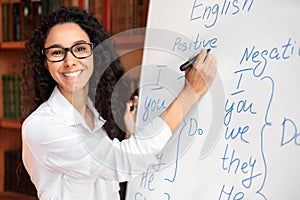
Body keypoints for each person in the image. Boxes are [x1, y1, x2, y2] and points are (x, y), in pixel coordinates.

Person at [21, 6, 217, 200]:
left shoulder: (97, 114)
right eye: (57, 52)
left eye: (80, 49)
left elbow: (108, 173)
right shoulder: (40, 127)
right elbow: (123, 162)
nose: (70, 61)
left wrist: (129, 135)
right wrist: (191, 93)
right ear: (45, 61)